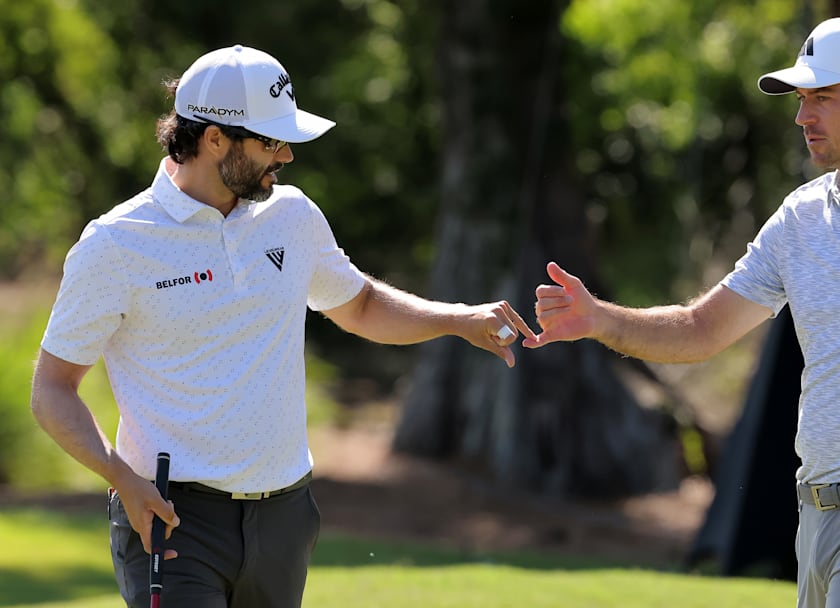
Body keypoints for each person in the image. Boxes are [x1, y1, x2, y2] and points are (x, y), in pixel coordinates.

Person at [525, 16, 840, 608]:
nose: (803, 116)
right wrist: (600, 320)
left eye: (822, 98)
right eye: (801, 100)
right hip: (817, 516)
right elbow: (702, 328)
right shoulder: (800, 218)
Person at [30, 44, 534, 608]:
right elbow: (52, 389)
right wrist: (121, 477)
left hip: (285, 516)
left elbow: (360, 305)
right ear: (214, 138)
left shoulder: (293, 216)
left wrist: (457, 319)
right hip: (172, 517)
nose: (287, 156)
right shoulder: (116, 243)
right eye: (270, 141)